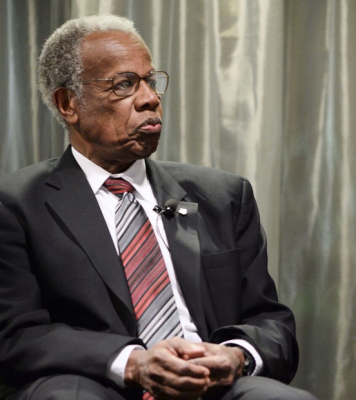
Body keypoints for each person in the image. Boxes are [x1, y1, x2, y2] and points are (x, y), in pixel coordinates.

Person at [0, 15, 317, 400]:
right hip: (96, 383)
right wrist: (134, 363)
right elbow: (18, 335)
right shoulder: (17, 204)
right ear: (68, 104)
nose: (150, 98)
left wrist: (236, 356)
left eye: (150, 80)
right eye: (124, 84)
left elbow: (270, 321)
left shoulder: (223, 196)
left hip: (211, 386)